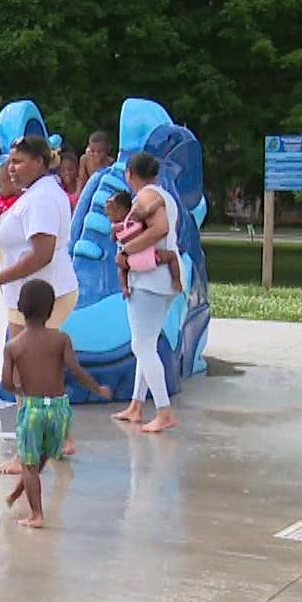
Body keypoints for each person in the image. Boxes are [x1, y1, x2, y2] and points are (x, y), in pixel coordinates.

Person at [2, 279, 111, 528]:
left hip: (33, 409)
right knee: (41, 457)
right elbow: (75, 369)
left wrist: (22, 390)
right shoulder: (61, 339)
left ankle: (36, 514)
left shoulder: (13, 346)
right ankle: (17, 493)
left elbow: (6, 383)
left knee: (29, 463)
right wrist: (97, 388)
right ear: (51, 310)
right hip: (59, 409)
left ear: (19, 308)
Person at [0, 137, 78, 339]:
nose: (11, 168)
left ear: (39, 162)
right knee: (23, 365)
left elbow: (42, 254)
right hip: (28, 299)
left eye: (18, 162)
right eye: (10, 162)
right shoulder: (35, 194)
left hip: (42, 300)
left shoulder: (42, 198)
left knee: (31, 366)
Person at [112, 151, 183, 433]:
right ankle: (136, 405)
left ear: (130, 173)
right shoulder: (163, 196)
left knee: (141, 346)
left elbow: (159, 229)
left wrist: (126, 250)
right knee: (147, 344)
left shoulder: (144, 197)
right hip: (162, 278)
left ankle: (164, 410)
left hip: (149, 279)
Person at [107, 190, 180, 296]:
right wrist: (158, 202)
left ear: (122, 210)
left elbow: (113, 240)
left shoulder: (115, 228)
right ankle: (176, 281)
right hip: (148, 255)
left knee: (121, 270)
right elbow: (148, 212)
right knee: (172, 257)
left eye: (111, 213)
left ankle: (125, 288)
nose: (109, 217)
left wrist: (116, 234)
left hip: (129, 262)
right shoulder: (134, 217)